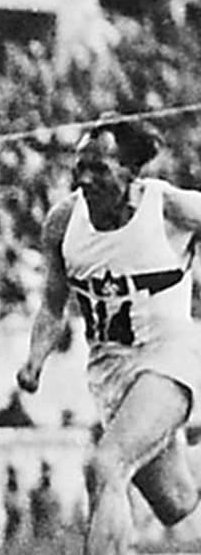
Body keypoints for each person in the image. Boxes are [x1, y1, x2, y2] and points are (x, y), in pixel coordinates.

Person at [15, 119, 201, 555]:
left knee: (106, 464)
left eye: (99, 169)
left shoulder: (170, 208)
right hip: (110, 371)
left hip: (168, 357)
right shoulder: (63, 222)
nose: (84, 179)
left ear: (130, 172)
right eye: (80, 168)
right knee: (176, 502)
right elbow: (53, 303)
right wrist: (35, 360)